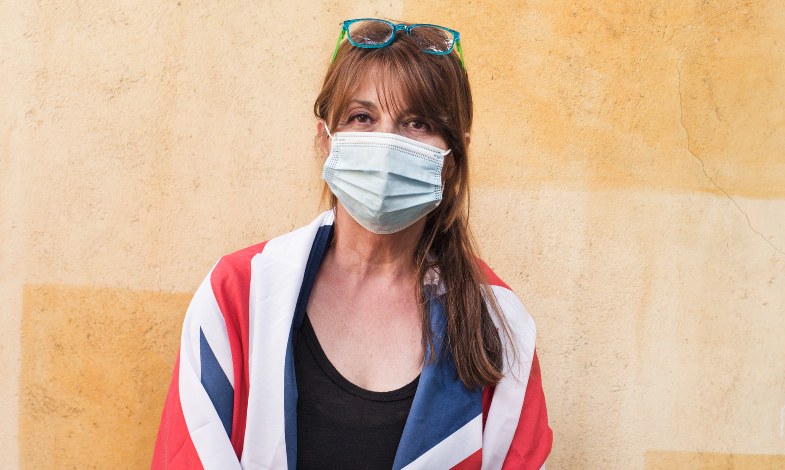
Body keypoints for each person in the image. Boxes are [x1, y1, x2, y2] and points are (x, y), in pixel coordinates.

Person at [152, 18, 552, 469]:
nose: (386, 143)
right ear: (325, 139)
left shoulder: (498, 326)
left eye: (416, 123)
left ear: (452, 158)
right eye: (362, 117)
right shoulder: (237, 295)